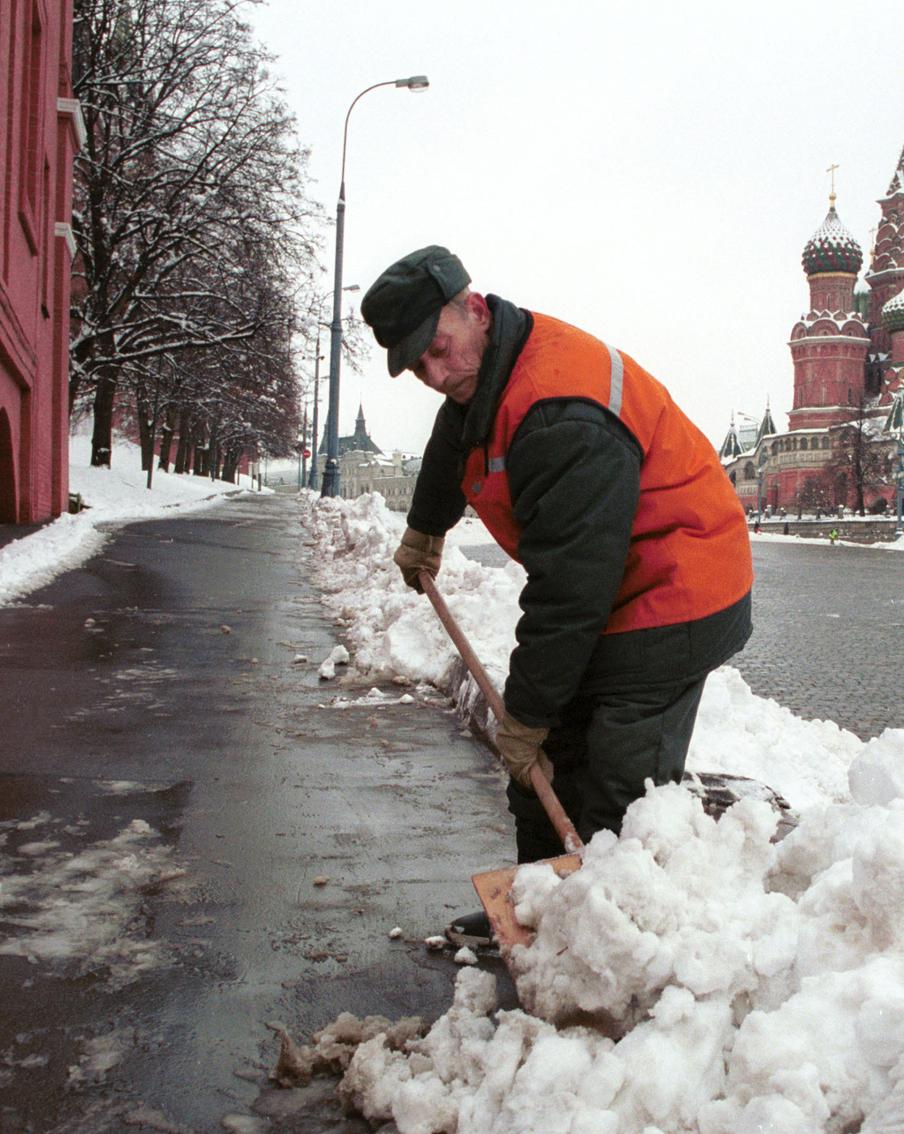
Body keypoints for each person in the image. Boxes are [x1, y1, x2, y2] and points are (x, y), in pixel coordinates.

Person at [361, 246, 754, 948]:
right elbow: (456, 436)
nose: (437, 375)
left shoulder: (557, 411)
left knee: (615, 778)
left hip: (682, 581)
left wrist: (527, 716)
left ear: (474, 310)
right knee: (541, 763)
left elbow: (570, 594)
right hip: (615, 572)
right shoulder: (490, 370)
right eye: (419, 367)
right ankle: (541, 908)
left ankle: (615, 944)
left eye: (439, 351)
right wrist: (425, 527)